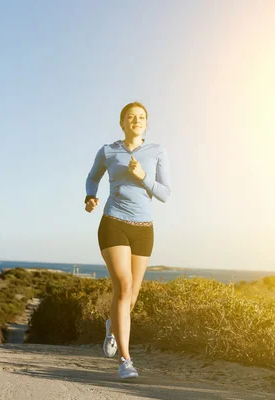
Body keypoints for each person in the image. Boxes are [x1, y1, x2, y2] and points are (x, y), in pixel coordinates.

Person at [85, 102, 170, 379]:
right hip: (114, 223)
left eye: (141, 117)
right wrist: (90, 197)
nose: (137, 120)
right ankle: (126, 360)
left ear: (146, 123)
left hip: (144, 228)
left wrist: (143, 177)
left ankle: (112, 325)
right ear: (122, 123)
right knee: (123, 285)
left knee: (130, 297)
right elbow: (92, 178)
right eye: (131, 117)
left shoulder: (157, 151)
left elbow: (165, 194)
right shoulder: (109, 151)